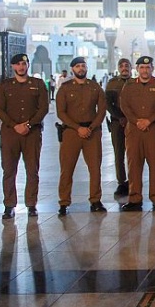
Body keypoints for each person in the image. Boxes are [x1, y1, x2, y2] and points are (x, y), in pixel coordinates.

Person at [0, 54, 49, 218]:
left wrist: (29, 124)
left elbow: (43, 108)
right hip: (10, 133)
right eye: (18, 64)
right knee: (9, 170)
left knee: (32, 170)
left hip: (31, 133)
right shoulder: (4, 86)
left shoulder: (38, 84)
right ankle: (9, 204)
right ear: (13, 66)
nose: (21, 67)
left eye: (24, 63)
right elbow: (0, 110)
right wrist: (15, 125)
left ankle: (31, 204)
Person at [55, 56, 108, 215]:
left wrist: (91, 127)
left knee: (95, 168)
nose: (81, 69)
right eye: (78, 66)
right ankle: (64, 201)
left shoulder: (95, 87)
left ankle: (95, 200)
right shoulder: (65, 88)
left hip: (92, 131)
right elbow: (61, 112)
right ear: (73, 69)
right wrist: (77, 127)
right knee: (67, 168)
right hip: (72, 132)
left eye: (83, 66)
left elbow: (102, 110)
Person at [120, 56, 155, 211]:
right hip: (134, 131)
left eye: (148, 68)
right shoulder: (129, 86)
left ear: (152, 69)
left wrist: (149, 120)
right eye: (142, 67)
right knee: (134, 164)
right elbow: (124, 105)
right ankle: (134, 198)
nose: (145, 70)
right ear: (137, 69)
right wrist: (137, 121)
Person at [105, 58, 132, 195]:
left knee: (133, 154)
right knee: (119, 153)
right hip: (117, 122)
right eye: (121, 66)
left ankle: (133, 181)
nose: (124, 68)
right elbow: (108, 103)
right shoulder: (112, 83)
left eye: (127, 66)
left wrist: (129, 118)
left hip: (133, 123)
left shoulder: (135, 83)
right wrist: (119, 117)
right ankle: (121, 182)